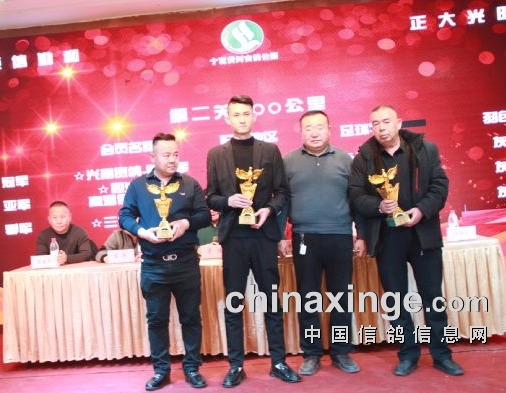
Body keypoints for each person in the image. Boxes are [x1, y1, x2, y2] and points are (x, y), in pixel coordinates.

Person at [348, 105, 464, 377]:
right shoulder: (364, 157)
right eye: (375, 123)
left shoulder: (426, 149)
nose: (381, 128)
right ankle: (408, 354)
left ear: (399, 123)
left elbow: (439, 186)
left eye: (386, 121)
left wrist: (421, 210)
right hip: (387, 237)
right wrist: (378, 205)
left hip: (423, 234)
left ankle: (442, 354)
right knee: (395, 301)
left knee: (433, 298)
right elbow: (355, 195)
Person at [206, 95, 300, 387]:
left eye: (246, 113)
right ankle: (236, 365)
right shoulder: (216, 154)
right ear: (227, 118)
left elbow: (282, 192)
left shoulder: (270, 151)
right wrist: (228, 201)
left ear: (254, 116)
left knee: (271, 300)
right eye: (236, 114)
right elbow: (210, 196)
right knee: (234, 302)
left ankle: (278, 362)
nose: (241, 119)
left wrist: (268, 210)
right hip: (233, 238)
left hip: (263, 236)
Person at [119, 132, 210, 391]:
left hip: (185, 262)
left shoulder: (189, 183)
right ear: (153, 157)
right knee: (156, 320)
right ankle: (161, 370)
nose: (172, 160)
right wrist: (142, 232)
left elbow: (204, 215)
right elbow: (124, 216)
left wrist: (185, 223)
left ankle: (192, 368)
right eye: (166, 155)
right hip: (153, 264)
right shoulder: (138, 186)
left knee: (190, 318)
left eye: (176, 154)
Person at [278, 110, 366, 376]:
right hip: (304, 237)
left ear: (329, 129)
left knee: (341, 298)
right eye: (308, 128)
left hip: (340, 236)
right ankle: (312, 353)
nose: (314, 132)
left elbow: (357, 200)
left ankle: (341, 352)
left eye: (319, 127)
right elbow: (282, 202)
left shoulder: (345, 159)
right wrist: (280, 235)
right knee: (308, 299)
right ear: (300, 131)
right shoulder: (289, 161)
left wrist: (361, 234)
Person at [35, 200, 93, 265]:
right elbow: (40, 257)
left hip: (75, 269)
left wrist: (67, 258)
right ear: (49, 219)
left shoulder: (79, 232)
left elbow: (86, 254)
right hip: (53, 270)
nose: (59, 221)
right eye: (54, 217)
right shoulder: (43, 236)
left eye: (62, 217)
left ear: (70, 217)